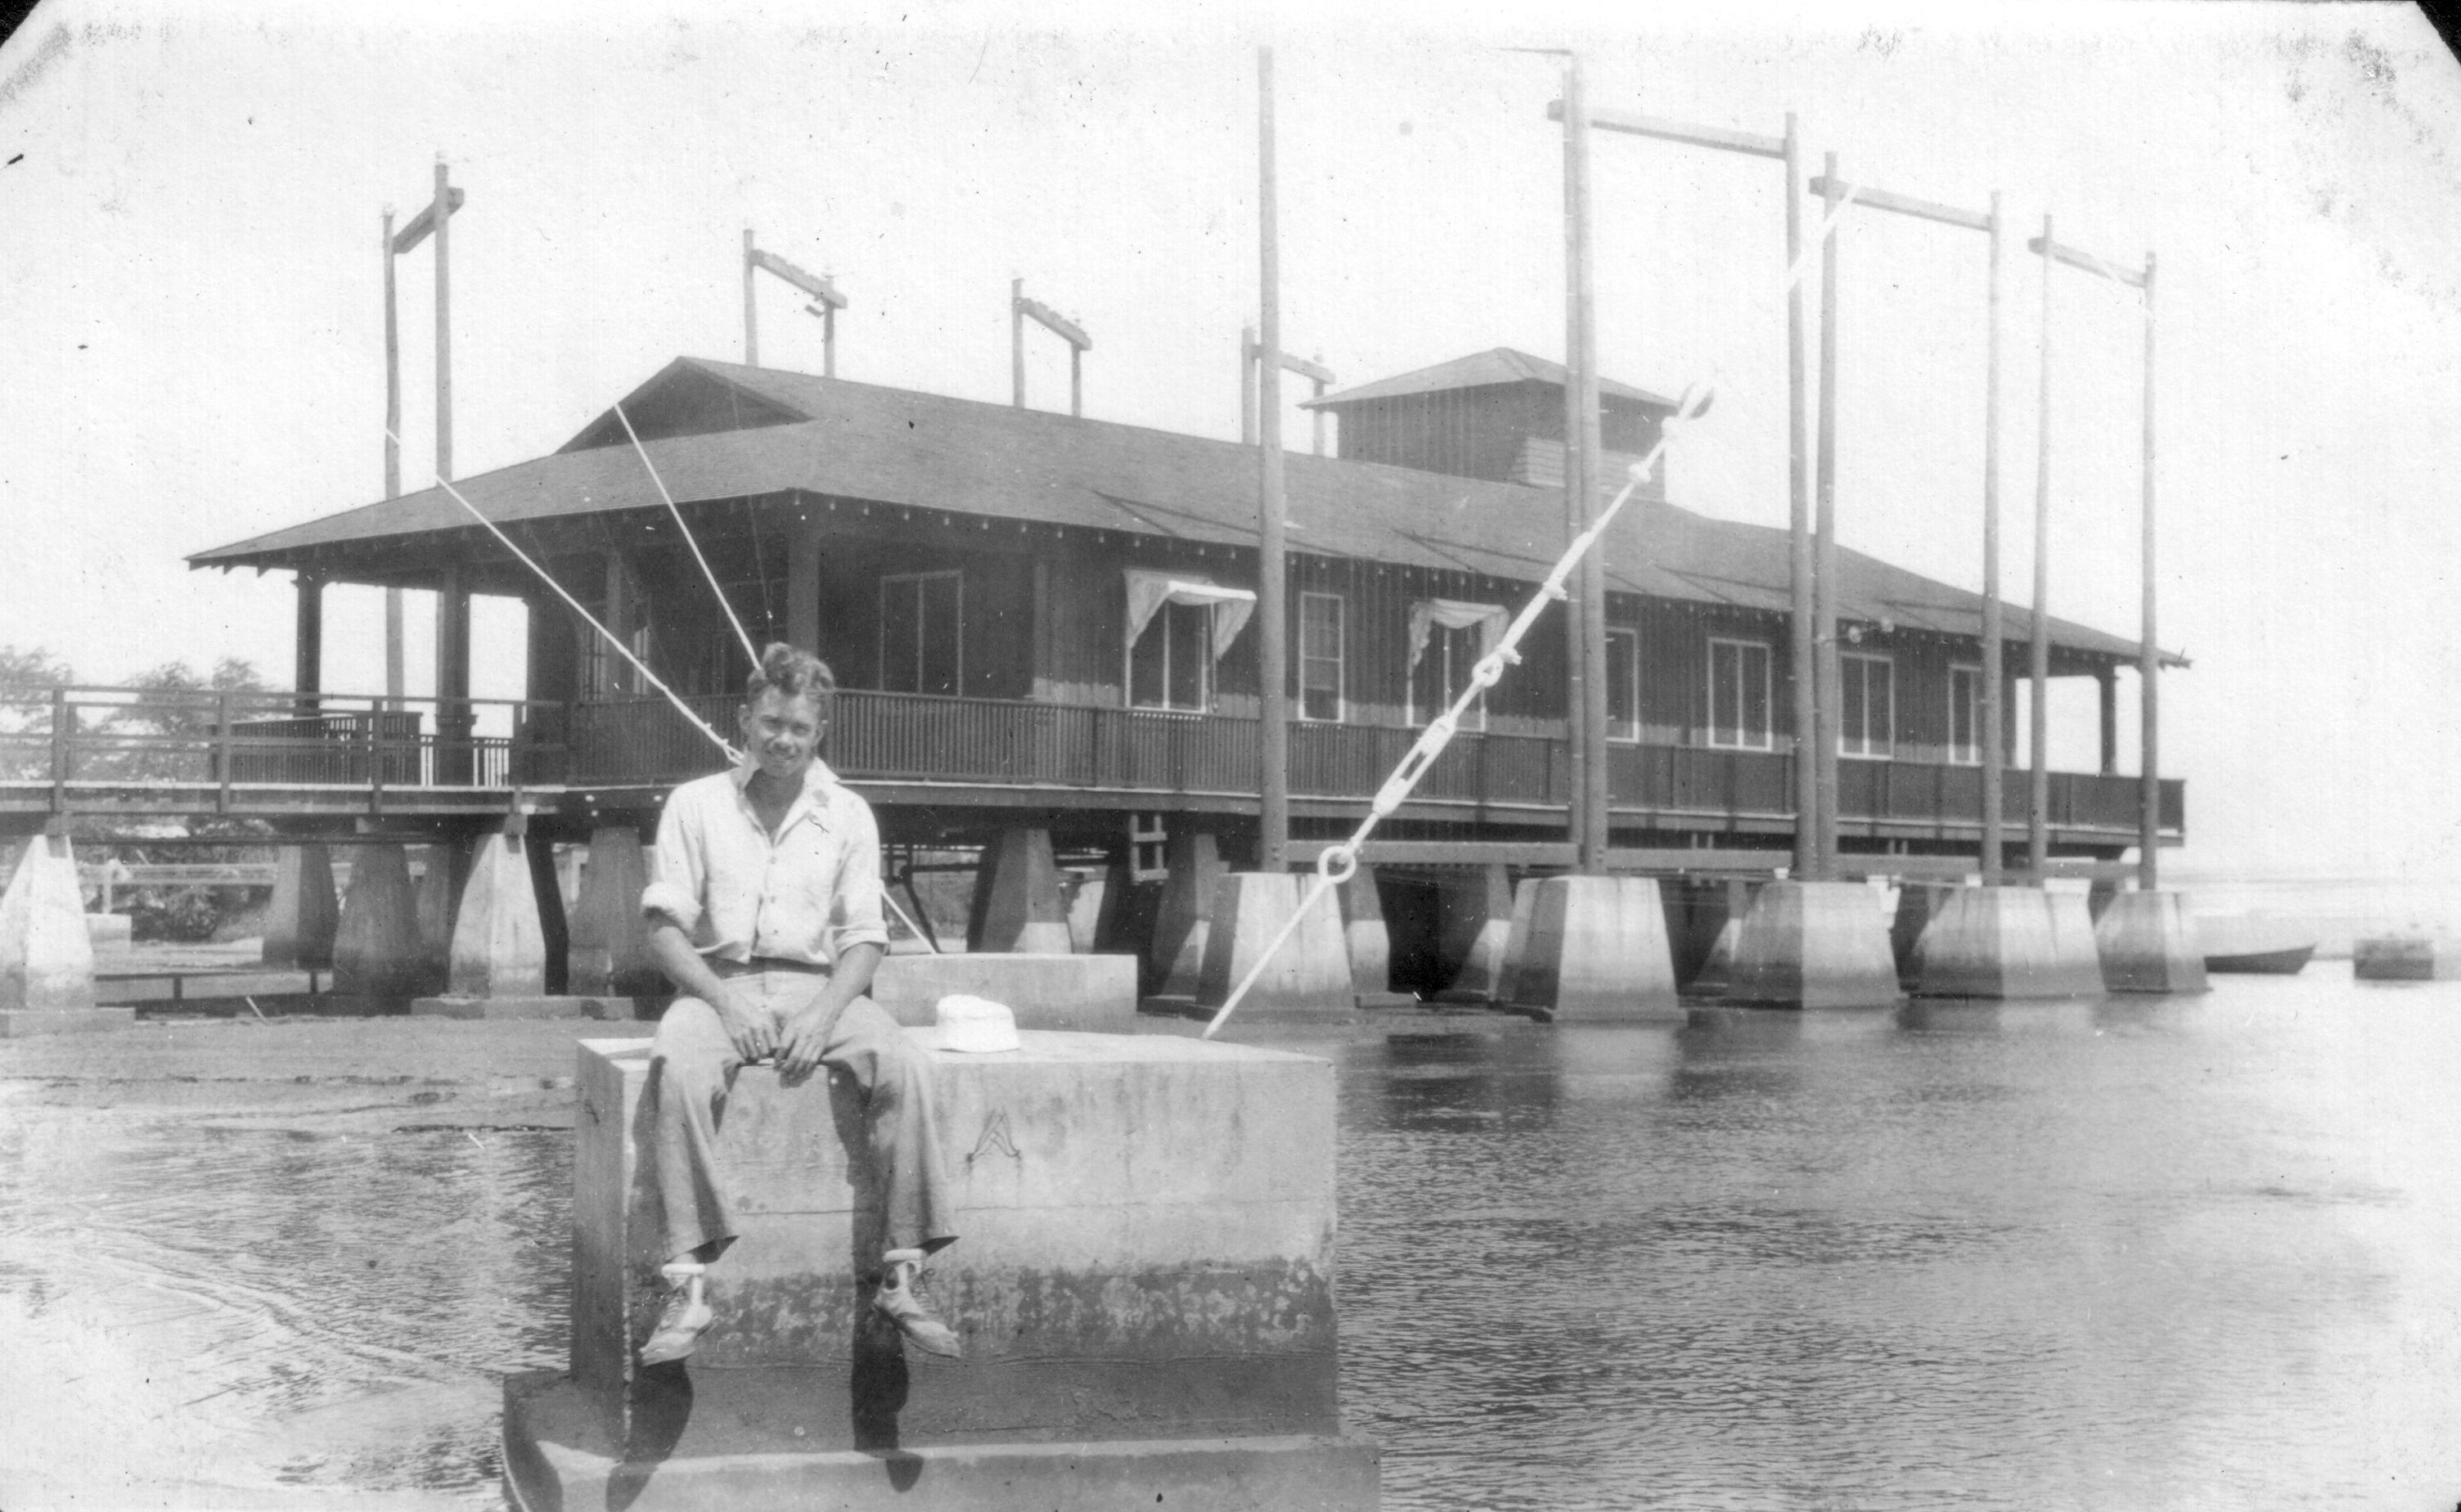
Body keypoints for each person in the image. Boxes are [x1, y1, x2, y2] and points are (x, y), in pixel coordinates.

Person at [633, 642, 960, 1366]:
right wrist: (725, 1003)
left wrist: (822, 1014)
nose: (784, 740)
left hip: (819, 986)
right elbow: (663, 929)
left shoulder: (848, 813)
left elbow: (865, 938)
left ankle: (904, 1277)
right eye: (771, 723)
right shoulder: (695, 804)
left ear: (820, 733)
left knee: (903, 1064)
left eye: (800, 728)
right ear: (744, 720)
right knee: (677, 1066)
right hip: (720, 984)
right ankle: (687, 1290)